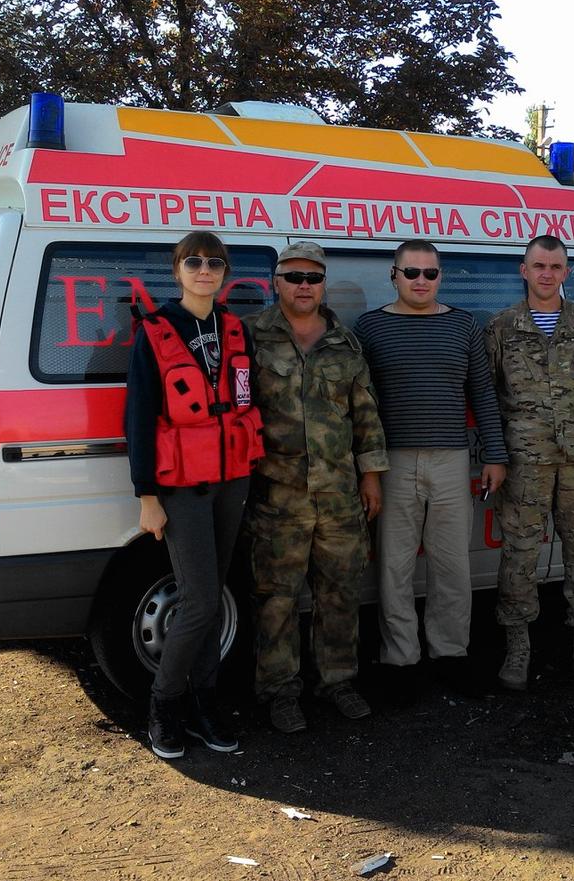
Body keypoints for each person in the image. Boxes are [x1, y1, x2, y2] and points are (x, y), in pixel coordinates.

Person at [125, 231, 266, 758]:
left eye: (214, 262)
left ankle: (206, 706)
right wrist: (147, 496)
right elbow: (137, 417)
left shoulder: (234, 329)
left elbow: (246, 400)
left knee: (209, 601)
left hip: (232, 481)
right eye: (194, 262)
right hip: (181, 487)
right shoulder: (156, 331)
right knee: (202, 599)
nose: (204, 270)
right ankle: (164, 705)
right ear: (177, 270)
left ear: (225, 272)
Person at [243, 241, 390, 734]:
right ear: (276, 282)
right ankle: (280, 692)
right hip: (276, 495)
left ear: (323, 283)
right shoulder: (250, 337)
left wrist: (371, 477)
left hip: (339, 495)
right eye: (294, 277)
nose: (304, 286)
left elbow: (366, 415)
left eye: (313, 277)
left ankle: (338, 682)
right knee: (277, 598)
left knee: (340, 594)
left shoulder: (345, 343)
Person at [354, 240, 508, 697]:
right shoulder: (370, 327)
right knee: (394, 567)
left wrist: (495, 455)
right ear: (394, 275)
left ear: (441, 276)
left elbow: (482, 392)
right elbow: (361, 403)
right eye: (411, 272)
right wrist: (367, 469)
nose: (421, 280)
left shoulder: (463, 326)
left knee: (452, 565)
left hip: (451, 459)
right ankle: (400, 660)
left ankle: (451, 654)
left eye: (430, 273)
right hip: (392, 462)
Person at [484, 236, 574, 691]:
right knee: (519, 556)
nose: (547, 273)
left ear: (566, 273)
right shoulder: (502, 327)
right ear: (523, 271)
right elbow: (489, 392)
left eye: (556, 266)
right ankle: (518, 650)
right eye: (538, 265)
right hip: (524, 465)